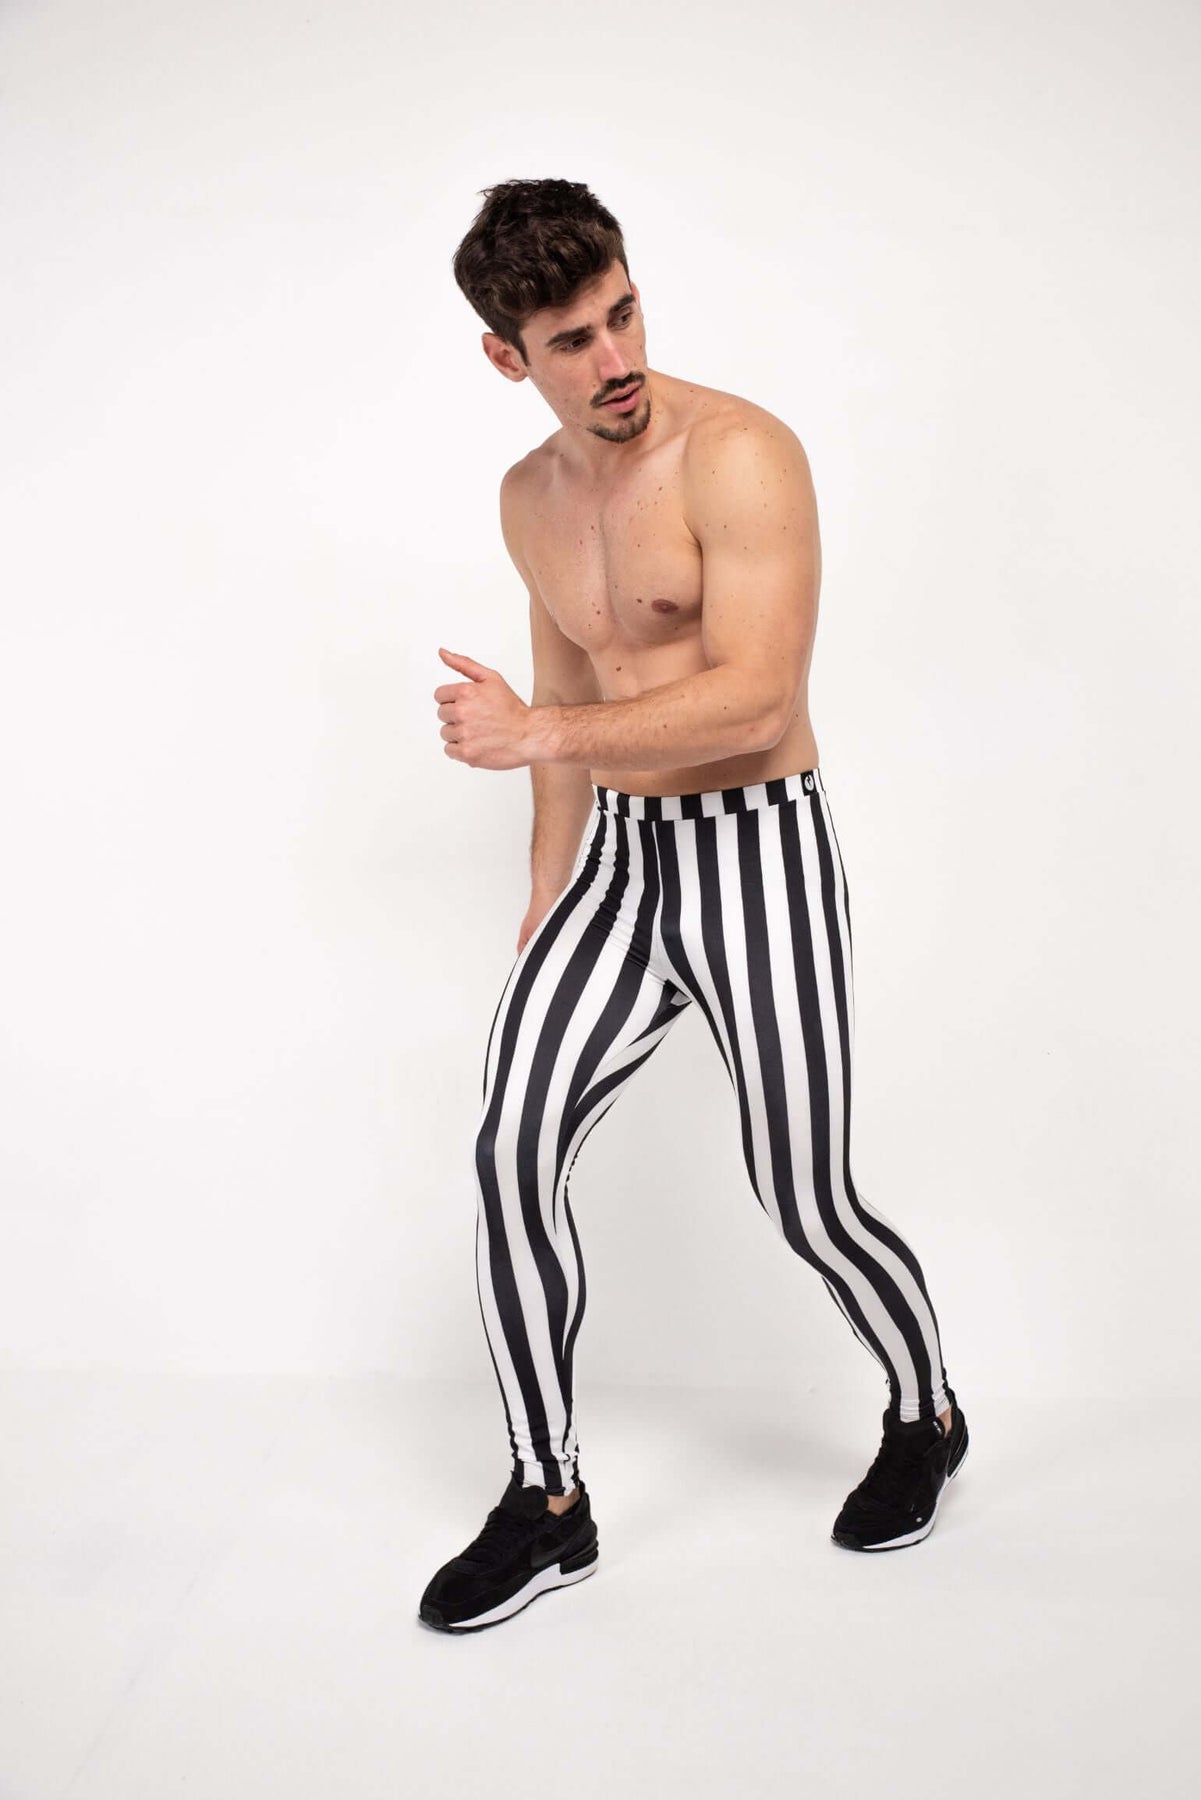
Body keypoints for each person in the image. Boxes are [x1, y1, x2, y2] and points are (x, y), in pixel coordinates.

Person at [418, 179, 968, 1635]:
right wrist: (547, 888)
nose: (615, 360)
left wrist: (535, 735)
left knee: (803, 1194)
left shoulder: (738, 455)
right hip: (616, 863)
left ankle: (925, 1409)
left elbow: (757, 698)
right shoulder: (527, 499)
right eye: (571, 341)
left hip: (756, 850)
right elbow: (564, 686)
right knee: (510, 1149)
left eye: (623, 314)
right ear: (506, 358)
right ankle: (548, 1501)